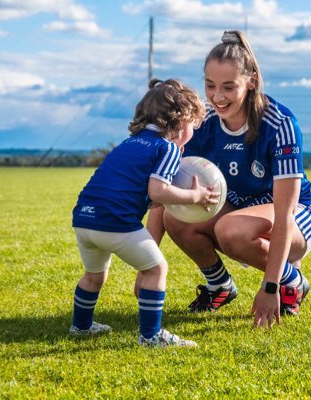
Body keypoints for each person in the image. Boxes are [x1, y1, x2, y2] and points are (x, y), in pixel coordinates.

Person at [155, 30, 311, 329]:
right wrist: (147, 264)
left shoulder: (279, 123)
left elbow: (284, 213)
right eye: (210, 85)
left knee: (230, 227)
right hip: (237, 211)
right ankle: (219, 286)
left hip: (296, 218)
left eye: (229, 87)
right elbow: (164, 191)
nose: (217, 97)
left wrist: (271, 286)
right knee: (175, 216)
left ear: (252, 81)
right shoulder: (202, 122)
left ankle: (292, 281)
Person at [70, 78, 220, 347]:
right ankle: (151, 336)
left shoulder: (129, 143)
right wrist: (195, 196)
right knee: (156, 268)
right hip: (115, 221)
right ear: (181, 122)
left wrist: (155, 201)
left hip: (84, 218)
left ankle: (80, 326)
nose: (193, 133)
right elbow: (158, 191)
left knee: (94, 276)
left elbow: (134, 189)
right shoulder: (168, 147)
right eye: (193, 126)